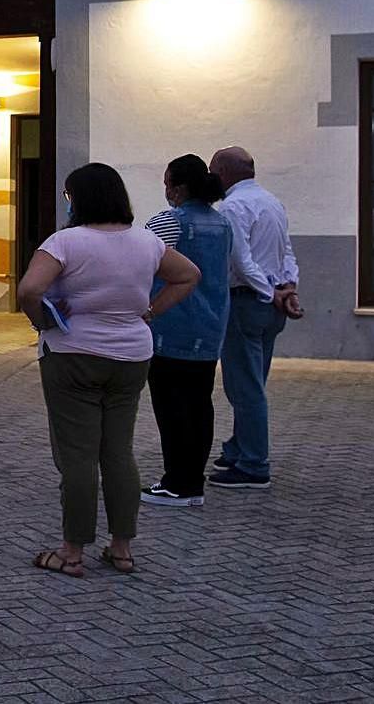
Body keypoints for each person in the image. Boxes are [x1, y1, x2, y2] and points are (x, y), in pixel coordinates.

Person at [18, 163, 201, 577]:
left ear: (77, 199)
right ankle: (122, 549)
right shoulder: (147, 242)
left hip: (73, 356)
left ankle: (71, 551)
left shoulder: (64, 242)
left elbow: (30, 289)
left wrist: (40, 320)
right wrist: (150, 312)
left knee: (77, 456)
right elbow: (189, 275)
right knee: (118, 451)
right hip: (132, 357)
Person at [140, 155, 233, 508]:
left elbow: (141, 260)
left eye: (166, 184)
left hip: (171, 327)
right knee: (199, 404)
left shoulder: (168, 222)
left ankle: (177, 482)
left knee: (171, 407)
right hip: (210, 328)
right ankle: (193, 481)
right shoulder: (223, 224)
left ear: (178, 188)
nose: (164, 191)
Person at [208, 146, 302, 491]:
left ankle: (253, 464)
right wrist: (287, 288)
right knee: (253, 382)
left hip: (248, 303)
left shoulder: (232, 207)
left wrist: (268, 291)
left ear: (221, 173)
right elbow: (286, 251)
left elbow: (241, 262)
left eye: (211, 172)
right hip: (271, 305)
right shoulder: (271, 202)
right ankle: (237, 448)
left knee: (244, 387)